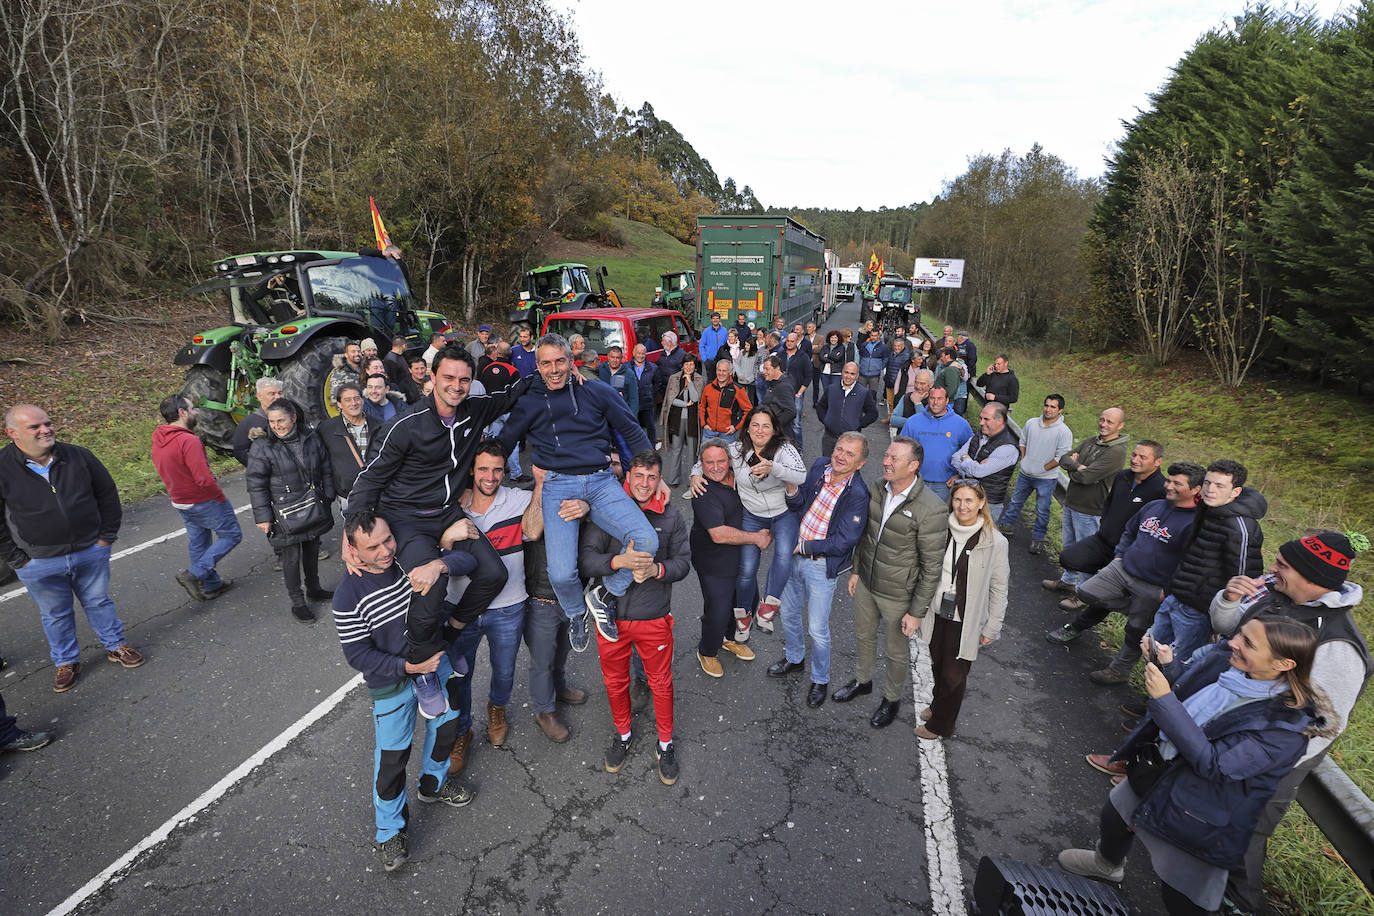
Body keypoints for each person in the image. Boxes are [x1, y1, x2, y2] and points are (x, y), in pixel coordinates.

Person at [1058, 617, 1334, 916]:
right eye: (1240, 634)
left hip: (1203, 812)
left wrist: (1164, 700)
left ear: (1283, 664)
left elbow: (1215, 765)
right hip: (1163, 772)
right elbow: (1190, 694)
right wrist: (1168, 666)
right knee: (1115, 815)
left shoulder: (1284, 729)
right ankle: (1106, 865)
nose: (1233, 643)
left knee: (1183, 895)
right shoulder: (1235, 669)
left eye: (1248, 643)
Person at [349, 347, 531, 716]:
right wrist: (351, 534)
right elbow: (368, 480)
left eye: (464, 379)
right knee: (430, 587)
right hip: (407, 519)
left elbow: (513, 392)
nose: (456, 386)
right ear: (431, 377)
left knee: (494, 573)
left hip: (448, 513)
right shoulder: (404, 425)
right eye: (448, 377)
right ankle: (423, 669)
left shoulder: (474, 410)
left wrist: (555, 371)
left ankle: (446, 639)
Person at [1206, 531, 1371, 914]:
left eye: (1282, 565)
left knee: (1240, 845)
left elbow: (1327, 723)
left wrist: (1267, 759)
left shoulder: (1338, 644)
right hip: (1230, 740)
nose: (1271, 569)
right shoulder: (1274, 596)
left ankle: (1241, 907)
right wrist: (1229, 598)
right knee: (1212, 829)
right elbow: (1228, 632)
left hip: (1268, 764)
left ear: (1310, 576)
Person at [333, 511, 476, 873]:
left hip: (435, 662)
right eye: (373, 546)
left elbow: (468, 559)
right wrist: (409, 669)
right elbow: (358, 655)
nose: (384, 551)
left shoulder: (405, 558)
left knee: (447, 728)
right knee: (392, 760)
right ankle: (389, 832)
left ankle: (433, 784)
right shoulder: (347, 596)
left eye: (387, 540)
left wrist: (438, 565)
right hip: (394, 681)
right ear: (352, 549)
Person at [497, 333, 658, 652]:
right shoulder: (529, 401)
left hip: (600, 482)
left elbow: (631, 430)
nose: (554, 369)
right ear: (537, 366)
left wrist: (654, 473)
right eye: (546, 363)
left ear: (572, 361)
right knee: (560, 573)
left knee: (648, 540)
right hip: (558, 485)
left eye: (560, 361)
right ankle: (575, 613)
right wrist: (477, 484)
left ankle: (604, 595)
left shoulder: (597, 391)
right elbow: (502, 444)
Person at [0, 404, 144, 692]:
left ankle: (116, 646)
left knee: (99, 601)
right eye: (35, 427)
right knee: (55, 613)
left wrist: (106, 537)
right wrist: (17, 559)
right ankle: (66, 661)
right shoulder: (2, 467)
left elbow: (107, 494)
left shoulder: (78, 455)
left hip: (90, 549)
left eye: (48, 423)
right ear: (12, 433)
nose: (46, 429)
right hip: (37, 561)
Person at [579, 450, 690, 785]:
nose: (644, 484)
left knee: (661, 683)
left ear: (659, 481)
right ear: (627, 477)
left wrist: (657, 569)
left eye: (651, 477)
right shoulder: (606, 512)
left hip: (652, 617)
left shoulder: (671, 516)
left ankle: (666, 744)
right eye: (638, 476)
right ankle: (623, 734)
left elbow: (683, 563)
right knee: (615, 683)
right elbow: (586, 560)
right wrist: (617, 563)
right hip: (609, 618)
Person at [1046, 463, 1203, 684]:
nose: (1169, 486)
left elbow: (1190, 562)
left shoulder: (1195, 522)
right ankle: (1135, 609)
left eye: (1178, 483)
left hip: (1154, 585)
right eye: (1169, 480)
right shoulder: (1155, 505)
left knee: (1135, 631)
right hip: (1123, 568)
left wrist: (1166, 591)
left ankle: (1118, 670)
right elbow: (1130, 531)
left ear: (1196, 489)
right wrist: (1120, 556)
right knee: (1087, 593)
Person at [835, 436, 946, 727]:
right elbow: (865, 534)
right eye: (886, 455)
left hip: (899, 596)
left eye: (894, 458)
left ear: (913, 466)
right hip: (867, 584)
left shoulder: (931, 508)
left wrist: (916, 611)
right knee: (863, 636)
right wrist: (856, 570)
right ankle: (863, 681)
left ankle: (891, 699)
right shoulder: (875, 489)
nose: (886, 461)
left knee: (896, 653)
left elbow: (932, 567)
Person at [443, 443, 543, 748]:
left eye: (498, 469)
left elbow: (537, 529)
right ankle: (462, 730)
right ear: (471, 470)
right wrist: (447, 536)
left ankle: (496, 709)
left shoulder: (517, 499)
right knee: (459, 677)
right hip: (461, 610)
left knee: (504, 672)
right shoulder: (451, 507)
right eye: (484, 469)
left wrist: (539, 485)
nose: (491, 476)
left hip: (508, 607)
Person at [766, 432, 870, 709]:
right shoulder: (820, 466)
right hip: (793, 555)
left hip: (819, 564)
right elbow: (800, 505)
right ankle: (795, 658)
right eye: (840, 449)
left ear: (860, 463)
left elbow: (845, 541)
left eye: (850, 454)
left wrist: (805, 546)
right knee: (787, 613)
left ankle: (820, 679)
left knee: (817, 628)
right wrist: (791, 491)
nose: (841, 456)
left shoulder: (858, 494)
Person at [689, 404, 807, 637]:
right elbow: (711, 455)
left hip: (782, 513)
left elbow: (801, 474)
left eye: (766, 426)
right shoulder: (737, 449)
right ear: (748, 428)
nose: (760, 431)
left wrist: (774, 467)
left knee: (784, 555)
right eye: (755, 425)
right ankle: (743, 615)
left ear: (774, 429)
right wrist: (694, 474)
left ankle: (768, 606)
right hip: (752, 515)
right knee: (746, 569)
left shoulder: (784, 449)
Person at [913, 479, 1009, 740]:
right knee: (937, 664)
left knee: (954, 675)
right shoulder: (941, 529)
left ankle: (941, 725)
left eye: (969, 500)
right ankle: (937, 706)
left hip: (965, 619)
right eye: (957, 499)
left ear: (981, 503)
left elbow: (999, 589)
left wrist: (993, 626)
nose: (962, 506)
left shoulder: (995, 542)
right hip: (937, 610)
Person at [1149, 459, 1267, 664]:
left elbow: (1244, 579)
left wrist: (1221, 619)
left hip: (1198, 612)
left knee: (1176, 664)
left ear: (1235, 492)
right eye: (1207, 483)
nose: (1210, 490)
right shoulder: (1208, 507)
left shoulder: (1240, 528)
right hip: (1176, 597)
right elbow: (1191, 553)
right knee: (1151, 650)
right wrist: (1172, 587)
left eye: (1219, 486)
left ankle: (1162, 696)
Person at [246, 402, 336, 623]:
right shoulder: (262, 446)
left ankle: (314, 588)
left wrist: (329, 493)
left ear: (293, 418)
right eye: (272, 421)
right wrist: (264, 517)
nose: (277, 426)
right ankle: (298, 603)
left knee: (313, 549)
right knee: (291, 558)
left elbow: (324, 464)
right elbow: (256, 483)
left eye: (281, 420)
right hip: (283, 513)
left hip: (312, 505)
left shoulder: (311, 436)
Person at [518, 470, 589, 748]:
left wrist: (587, 505)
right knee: (542, 660)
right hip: (542, 596)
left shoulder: (584, 489)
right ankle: (544, 710)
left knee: (562, 651)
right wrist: (540, 485)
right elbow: (531, 530)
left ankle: (558, 688)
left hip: (572, 596)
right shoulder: (529, 493)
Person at [691, 440, 772, 678]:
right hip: (714, 561)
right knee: (718, 609)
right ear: (701, 464)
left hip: (741, 556)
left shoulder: (742, 476)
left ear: (730, 460)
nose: (715, 467)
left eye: (720, 461)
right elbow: (718, 534)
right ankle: (707, 650)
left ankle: (728, 638)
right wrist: (756, 538)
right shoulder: (703, 491)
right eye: (709, 463)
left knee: (746, 601)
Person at [152, 394, 242, 601]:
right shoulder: (188, 441)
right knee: (231, 535)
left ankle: (211, 585)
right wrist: (219, 497)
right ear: (182, 412)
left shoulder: (159, 439)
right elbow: (204, 479)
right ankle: (193, 574)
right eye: (192, 409)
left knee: (199, 543)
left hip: (180, 501)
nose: (196, 412)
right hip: (203, 501)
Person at [1045, 408, 1130, 591]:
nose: (1103, 424)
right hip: (1072, 501)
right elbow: (1064, 459)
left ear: (1120, 426)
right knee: (1070, 546)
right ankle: (1068, 581)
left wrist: (1075, 468)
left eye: (1110, 422)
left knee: (1086, 553)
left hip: (1090, 509)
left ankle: (1083, 592)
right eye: (1102, 419)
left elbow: (1085, 477)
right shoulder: (1092, 441)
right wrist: (1079, 467)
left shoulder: (1116, 452)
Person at [997, 394, 1073, 553]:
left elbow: (1061, 457)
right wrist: (1024, 460)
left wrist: (1043, 469)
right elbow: (1022, 442)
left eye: (1053, 407)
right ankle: (1006, 526)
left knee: (1042, 510)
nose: (1048, 409)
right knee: (1016, 501)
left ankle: (1038, 539)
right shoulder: (1031, 423)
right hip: (1025, 474)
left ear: (1060, 410)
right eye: (1047, 405)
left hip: (1046, 479)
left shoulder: (1064, 432)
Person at [898, 385, 972, 502]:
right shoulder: (913, 422)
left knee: (939, 518)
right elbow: (900, 450)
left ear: (947, 400)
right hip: (916, 481)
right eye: (932, 398)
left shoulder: (961, 424)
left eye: (940, 398)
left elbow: (970, 451)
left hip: (945, 485)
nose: (935, 402)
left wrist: (959, 475)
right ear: (928, 399)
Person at [947, 402, 1019, 521]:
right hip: (967, 497)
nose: (981, 423)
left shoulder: (1008, 448)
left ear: (1000, 420)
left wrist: (966, 459)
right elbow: (955, 458)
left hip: (988, 504)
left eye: (986, 419)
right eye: (981, 418)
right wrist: (970, 468)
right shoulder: (978, 436)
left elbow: (978, 472)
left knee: (982, 538)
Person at [318, 383, 379, 514]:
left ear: (362, 400)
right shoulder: (327, 429)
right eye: (347, 400)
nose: (354, 403)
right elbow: (321, 461)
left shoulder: (378, 425)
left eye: (357, 398)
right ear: (339, 404)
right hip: (348, 494)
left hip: (378, 491)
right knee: (354, 531)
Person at [658, 352, 703, 485]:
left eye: (691, 364)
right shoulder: (674, 378)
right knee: (676, 450)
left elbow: (695, 398)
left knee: (691, 452)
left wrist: (689, 382)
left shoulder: (699, 379)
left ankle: (692, 480)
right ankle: (673, 479)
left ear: (695, 366)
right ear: (682, 365)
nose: (689, 367)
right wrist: (685, 404)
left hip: (692, 420)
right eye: (686, 364)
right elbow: (671, 400)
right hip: (677, 419)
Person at [816, 361, 879, 457]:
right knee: (827, 466)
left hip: (851, 440)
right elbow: (821, 406)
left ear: (857, 375)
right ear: (842, 372)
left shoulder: (863, 392)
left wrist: (858, 424)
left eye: (852, 374)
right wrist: (826, 421)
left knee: (847, 468)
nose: (848, 376)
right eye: (846, 372)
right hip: (830, 438)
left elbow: (873, 413)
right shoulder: (832, 389)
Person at [698, 355, 752, 446]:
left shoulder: (737, 389)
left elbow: (748, 410)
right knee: (706, 459)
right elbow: (702, 406)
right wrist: (704, 424)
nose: (721, 373)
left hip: (727, 435)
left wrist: (736, 427)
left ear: (731, 372)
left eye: (724, 371)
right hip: (709, 433)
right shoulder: (708, 388)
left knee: (727, 460)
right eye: (719, 370)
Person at [778, 331, 813, 446]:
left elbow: (808, 376)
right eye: (787, 341)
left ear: (797, 342)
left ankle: (798, 448)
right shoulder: (781, 355)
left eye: (792, 341)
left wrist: (800, 392)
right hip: (781, 394)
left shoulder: (803, 357)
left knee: (796, 424)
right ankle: (781, 447)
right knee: (780, 422)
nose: (789, 343)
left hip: (795, 394)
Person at [598, 345, 639, 418]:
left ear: (621, 359)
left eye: (617, 358)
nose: (614, 360)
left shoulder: (628, 373)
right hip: (602, 413)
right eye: (612, 357)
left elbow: (634, 398)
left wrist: (633, 418)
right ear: (608, 357)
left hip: (620, 414)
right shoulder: (600, 369)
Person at [890, 367, 933, 435]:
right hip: (904, 440)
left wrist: (917, 403)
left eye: (922, 383)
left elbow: (924, 424)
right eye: (916, 382)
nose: (918, 386)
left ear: (931, 384)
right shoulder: (906, 397)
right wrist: (914, 423)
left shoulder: (934, 401)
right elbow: (893, 420)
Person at [758, 355, 797, 430]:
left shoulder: (784, 387)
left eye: (767, 369)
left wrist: (773, 427)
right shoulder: (773, 381)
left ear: (777, 369)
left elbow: (791, 412)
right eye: (763, 369)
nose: (764, 372)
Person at [630, 343, 658, 443]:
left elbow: (656, 385)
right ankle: (635, 445)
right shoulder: (626, 367)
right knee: (633, 426)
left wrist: (651, 397)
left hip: (647, 402)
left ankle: (652, 446)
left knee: (650, 426)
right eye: (638, 353)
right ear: (633, 353)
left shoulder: (653, 368)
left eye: (643, 353)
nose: (641, 356)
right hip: (632, 403)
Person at [856, 327, 889, 407]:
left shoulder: (883, 347)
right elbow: (859, 357)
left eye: (875, 336)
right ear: (869, 336)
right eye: (872, 335)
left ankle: (870, 410)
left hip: (874, 375)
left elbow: (885, 360)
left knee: (872, 395)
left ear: (878, 336)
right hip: (862, 374)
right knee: (860, 394)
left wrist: (879, 368)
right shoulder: (864, 345)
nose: (873, 337)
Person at [653, 331, 685, 410]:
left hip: (675, 390)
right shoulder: (663, 354)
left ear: (670, 342)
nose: (662, 343)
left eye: (663, 341)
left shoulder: (682, 355)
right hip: (664, 389)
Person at [883, 337, 912, 413]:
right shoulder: (892, 354)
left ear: (903, 346)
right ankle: (890, 418)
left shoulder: (906, 356)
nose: (896, 348)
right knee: (889, 403)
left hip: (898, 385)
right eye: (895, 346)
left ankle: (893, 420)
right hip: (889, 382)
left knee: (897, 404)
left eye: (899, 346)